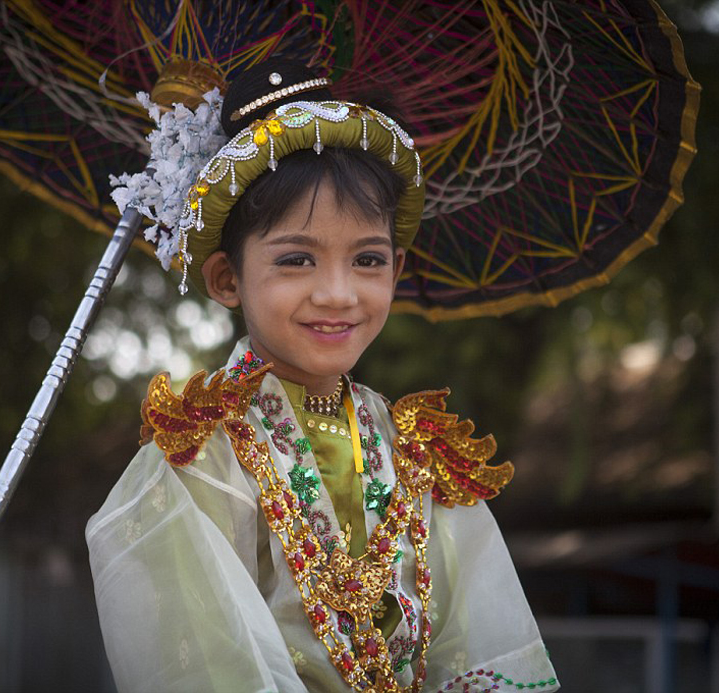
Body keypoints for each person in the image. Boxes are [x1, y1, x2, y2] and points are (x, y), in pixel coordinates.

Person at [87, 59, 559, 692]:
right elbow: (205, 663)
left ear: (395, 271)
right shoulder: (202, 457)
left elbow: (480, 646)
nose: (338, 294)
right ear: (228, 279)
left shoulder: (420, 452)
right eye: (297, 260)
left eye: (367, 259)